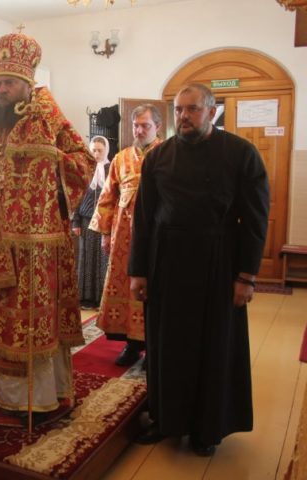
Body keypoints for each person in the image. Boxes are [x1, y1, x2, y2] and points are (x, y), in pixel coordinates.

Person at [0, 31, 94, 425]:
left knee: (22, 327)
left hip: (31, 252)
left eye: (9, 82)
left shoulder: (48, 117)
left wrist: (51, 158)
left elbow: (83, 161)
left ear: (27, 82)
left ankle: (31, 396)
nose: (2, 89)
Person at [129, 83, 270, 456]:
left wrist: (246, 276)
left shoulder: (241, 154)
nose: (183, 117)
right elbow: (143, 218)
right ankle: (165, 419)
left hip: (218, 264)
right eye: (178, 110)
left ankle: (207, 429)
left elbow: (255, 219)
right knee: (166, 346)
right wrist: (138, 271)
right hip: (166, 263)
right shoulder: (159, 157)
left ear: (212, 112)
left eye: (192, 109)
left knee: (212, 346)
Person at [88, 104, 163, 367]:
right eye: (136, 126)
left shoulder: (167, 155)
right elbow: (108, 197)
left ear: (157, 127)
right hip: (124, 236)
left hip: (156, 233)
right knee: (125, 285)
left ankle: (154, 347)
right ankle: (132, 345)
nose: (139, 131)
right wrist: (105, 233)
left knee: (154, 286)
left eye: (145, 126)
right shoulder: (120, 158)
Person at [71, 135, 111, 310]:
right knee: (86, 259)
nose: (96, 154)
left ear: (106, 150)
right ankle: (86, 298)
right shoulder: (84, 169)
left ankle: (102, 298)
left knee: (103, 259)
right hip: (86, 221)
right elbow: (77, 196)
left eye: (100, 150)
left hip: (104, 222)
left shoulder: (111, 169)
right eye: (93, 150)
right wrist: (75, 222)